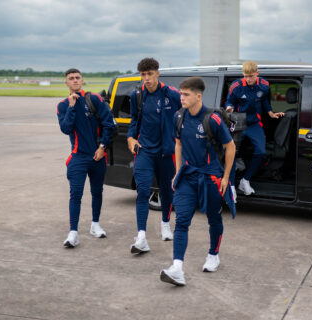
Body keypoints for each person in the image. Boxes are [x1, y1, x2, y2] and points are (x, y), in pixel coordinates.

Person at [160, 77, 236, 286]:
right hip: (187, 176)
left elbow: (230, 148)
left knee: (213, 218)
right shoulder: (179, 116)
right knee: (181, 220)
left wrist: (226, 178)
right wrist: (177, 172)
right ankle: (177, 268)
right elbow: (177, 144)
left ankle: (213, 254)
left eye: (186, 94)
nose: (181, 98)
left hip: (210, 176)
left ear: (198, 96)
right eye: (181, 93)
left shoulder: (212, 119)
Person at [56, 68, 116, 248]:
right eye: (71, 78)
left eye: (77, 78)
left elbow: (110, 124)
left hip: (98, 156)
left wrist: (102, 147)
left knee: (97, 192)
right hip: (78, 158)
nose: (74, 80)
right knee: (75, 194)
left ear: (82, 80)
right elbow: (66, 128)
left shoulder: (94, 99)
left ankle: (95, 224)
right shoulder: (63, 106)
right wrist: (72, 107)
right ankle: (73, 232)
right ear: (66, 83)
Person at [127, 58, 181, 253]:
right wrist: (131, 137)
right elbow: (134, 120)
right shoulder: (137, 95)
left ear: (158, 73)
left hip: (167, 153)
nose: (146, 78)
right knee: (142, 191)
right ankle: (141, 236)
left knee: (167, 191)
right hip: (145, 151)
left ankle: (165, 224)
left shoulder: (172, 94)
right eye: (143, 74)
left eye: (150, 74)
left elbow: (185, 116)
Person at [225, 61, 284, 196]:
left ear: (257, 73)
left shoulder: (264, 85)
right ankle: (231, 185)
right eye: (246, 76)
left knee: (261, 152)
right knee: (232, 153)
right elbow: (229, 101)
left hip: (253, 124)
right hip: (238, 124)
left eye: (251, 76)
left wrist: (271, 113)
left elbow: (264, 100)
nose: (248, 79)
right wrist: (229, 108)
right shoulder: (236, 86)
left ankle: (245, 181)